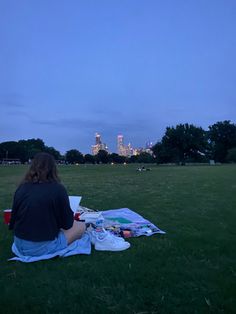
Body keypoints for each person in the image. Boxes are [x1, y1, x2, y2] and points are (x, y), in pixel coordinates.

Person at [9, 152, 86, 257]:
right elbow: (67, 224)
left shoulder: (22, 187)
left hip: (18, 243)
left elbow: (13, 220)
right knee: (81, 226)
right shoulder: (57, 189)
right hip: (40, 247)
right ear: (53, 168)